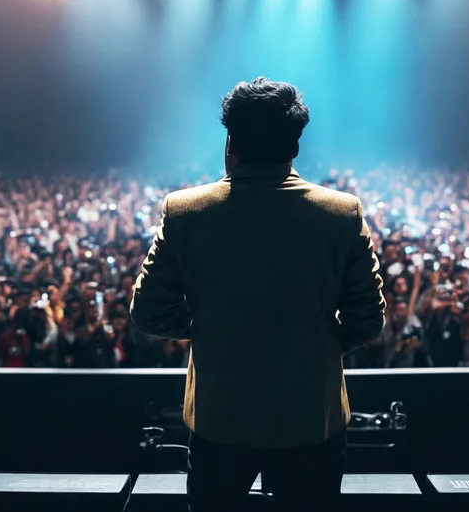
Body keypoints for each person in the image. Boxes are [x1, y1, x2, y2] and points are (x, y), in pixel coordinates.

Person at [129, 78, 386, 512]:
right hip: (311, 418)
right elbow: (368, 321)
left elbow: (149, 312)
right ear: (295, 145)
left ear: (231, 142)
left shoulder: (186, 212)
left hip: (220, 418)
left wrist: (210, 327)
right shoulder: (342, 213)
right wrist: (315, 342)